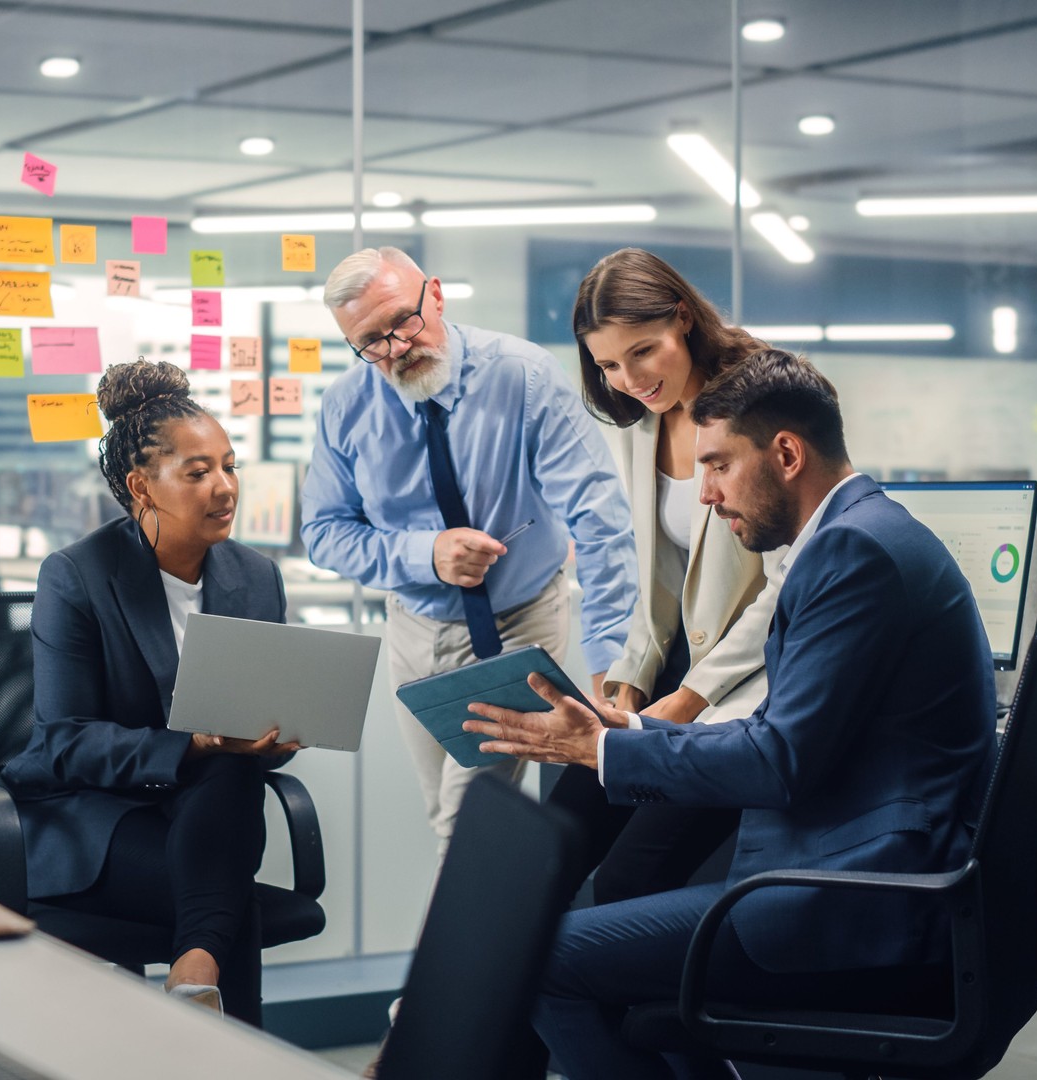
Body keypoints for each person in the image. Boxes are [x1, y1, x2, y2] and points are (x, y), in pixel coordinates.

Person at [463, 350, 996, 1079]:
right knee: (626, 972)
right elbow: (787, 733)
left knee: (539, 959)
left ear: (785, 453)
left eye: (718, 466)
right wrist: (634, 731)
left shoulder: (853, 555)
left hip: (852, 903)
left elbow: (781, 760)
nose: (706, 495)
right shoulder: (854, 538)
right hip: (834, 874)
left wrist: (602, 753)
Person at [302, 247, 638, 851]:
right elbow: (324, 532)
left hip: (519, 621)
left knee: (468, 825)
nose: (397, 347)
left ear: (434, 294)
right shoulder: (347, 407)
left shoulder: (524, 376)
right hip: (413, 629)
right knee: (449, 818)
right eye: (371, 342)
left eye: (404, 321)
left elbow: (600, 519)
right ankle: (527, 941)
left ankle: (460, 948)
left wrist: (613, 664)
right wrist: (424, 554)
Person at [0, 359, 300, 1025]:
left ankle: (194, 985)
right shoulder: (78, 576)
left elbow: (256, 735)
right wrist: (194, 743)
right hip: (94, 819)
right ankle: (211, 1002)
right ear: (142, 485)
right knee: (228, 904)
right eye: (197, 473)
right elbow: (64, 739)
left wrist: (276, 733)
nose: (224, 488)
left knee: (231, 767)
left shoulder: (255, 578)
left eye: (229, 465)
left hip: (210, 812)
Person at [548, 248, 783, 907]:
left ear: (683, 318)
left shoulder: (762, 400)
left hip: (747, 688)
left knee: (630, 878)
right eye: (608, 365)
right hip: (675, 671)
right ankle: (501, 1010)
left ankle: (630, 1006)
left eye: (642, 352)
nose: (628, 378)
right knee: (552, 836)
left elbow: (789, 588)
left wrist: (690, 699)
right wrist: (629, 680)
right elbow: (661, 577)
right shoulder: (646, 420)